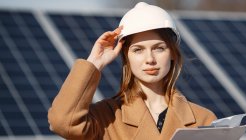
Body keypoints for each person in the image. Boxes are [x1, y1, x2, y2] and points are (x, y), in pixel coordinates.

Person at [48, 2, 216, 140]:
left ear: (172, 53)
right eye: (138, 50)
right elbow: (62, 122)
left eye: (159, 48)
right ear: (126, 57)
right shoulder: (106, 117)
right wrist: (94, 63)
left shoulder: (204, 120)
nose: (150, 59)